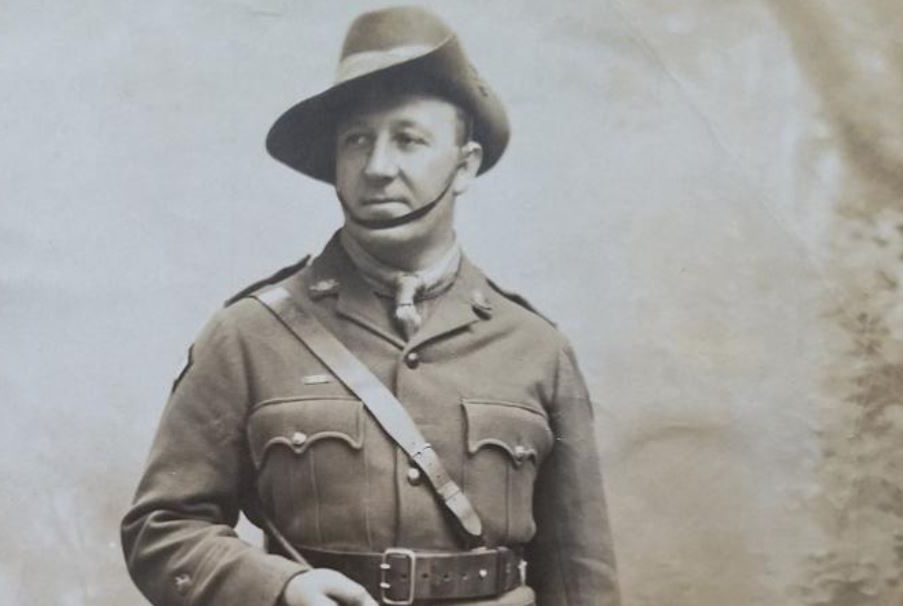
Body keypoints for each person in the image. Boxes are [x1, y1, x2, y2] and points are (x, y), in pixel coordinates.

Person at [121, 6, 620, 605]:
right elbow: (161, 528)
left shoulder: (537, 349)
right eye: (358, 140)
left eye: (409, 139)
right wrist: (282, 590)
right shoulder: (250, 334)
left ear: (465, 166)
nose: (378, 167)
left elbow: (580, 578)